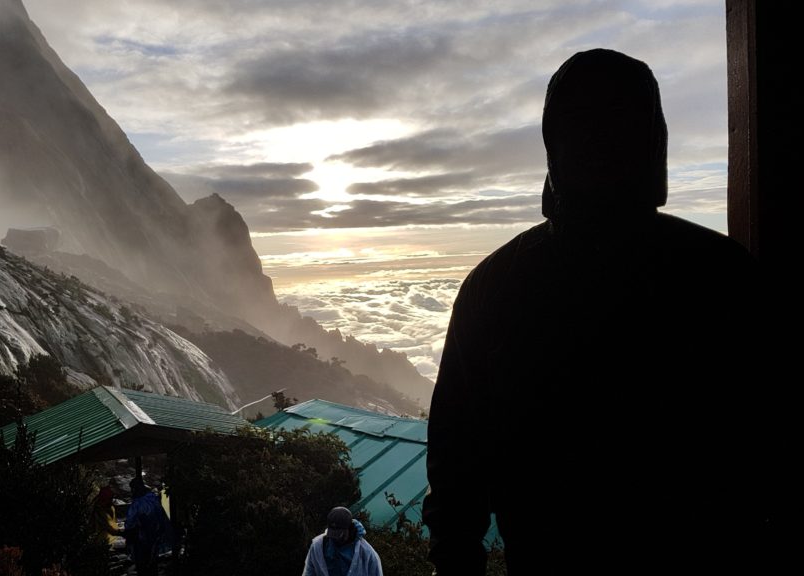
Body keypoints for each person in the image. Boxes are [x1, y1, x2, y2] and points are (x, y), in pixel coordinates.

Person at [423, 49, 763, 575]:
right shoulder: (722, 274)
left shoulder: (496, 286)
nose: (601, 143)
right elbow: (457, 468)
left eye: (618, 123)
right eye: (585, 124)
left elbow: (456, 473)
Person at [302, 506, 383, 576]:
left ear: (349, 528)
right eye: (332, 533)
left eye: (339, 535)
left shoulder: (367, 552)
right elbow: (309, 571)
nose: (335, 538)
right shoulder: (318, 546)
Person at [125, 476, 170, 576]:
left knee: (143, 565)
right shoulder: (153, 498)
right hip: (155, 535)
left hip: (141, 538)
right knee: (152, 563)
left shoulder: (137, 503)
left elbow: (130, 523)